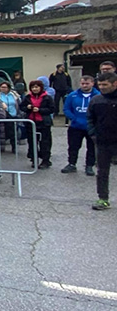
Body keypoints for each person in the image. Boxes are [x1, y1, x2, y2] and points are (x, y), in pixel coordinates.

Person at [88, 72, 117, 210]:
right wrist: (94, 135)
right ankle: (103, 199)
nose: (102, 87)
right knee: (102, 172)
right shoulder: (96, 100)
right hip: (103, 142)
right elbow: (90, 119)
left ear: (115, 84)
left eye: (105, 85)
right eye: (100, 85)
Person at [62, 75, 99, 176]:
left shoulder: (98, 96)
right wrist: (74, 118)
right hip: (75, 126)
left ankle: (89, 166)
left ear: (92, 83)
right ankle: (71, 164)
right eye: (83, 83)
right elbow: (66, 109)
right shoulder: (72, 95)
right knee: (73, 146)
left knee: (91, 147)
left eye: (87, 83)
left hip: (92, 127)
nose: (85, 85)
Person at [21, 80, 54, 169]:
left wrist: (40, 110)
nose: (35, 89)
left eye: (36, 87)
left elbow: (52, 109)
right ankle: (34, 159)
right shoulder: (27, 97)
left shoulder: (47, 97)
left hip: (43, 123)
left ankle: (45, 160)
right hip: (31, 123)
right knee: (32, 142)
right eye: (33, 87)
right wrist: (27, 108)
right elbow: (22, 107)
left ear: (41, 87)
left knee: (45, 143)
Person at [0, 81, 20, 152]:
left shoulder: (14, 95)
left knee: (14, 133)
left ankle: (14, 147)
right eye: (1, 87)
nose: (3, 89)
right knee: (2, 132)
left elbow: (18, 104)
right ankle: (1, 147)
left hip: (13, 115)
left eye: (5, 87)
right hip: (3, 115)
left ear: (8, 88)